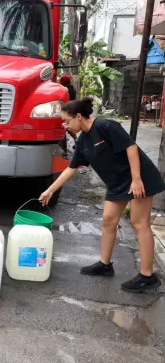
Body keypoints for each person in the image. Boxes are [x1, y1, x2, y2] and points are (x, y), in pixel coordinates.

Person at [39, 97, 164, 293]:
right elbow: (71, 169)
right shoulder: (82, 141)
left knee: (139, 223)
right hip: (117, 184)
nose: (65, 126)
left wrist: (136, 179)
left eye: (66, 121)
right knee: (108, 220)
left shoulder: (105, 126)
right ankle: (105, 265)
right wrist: (50, 190)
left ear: (79, 116)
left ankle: (148, 276)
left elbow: (130, 147)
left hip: (138, 178)